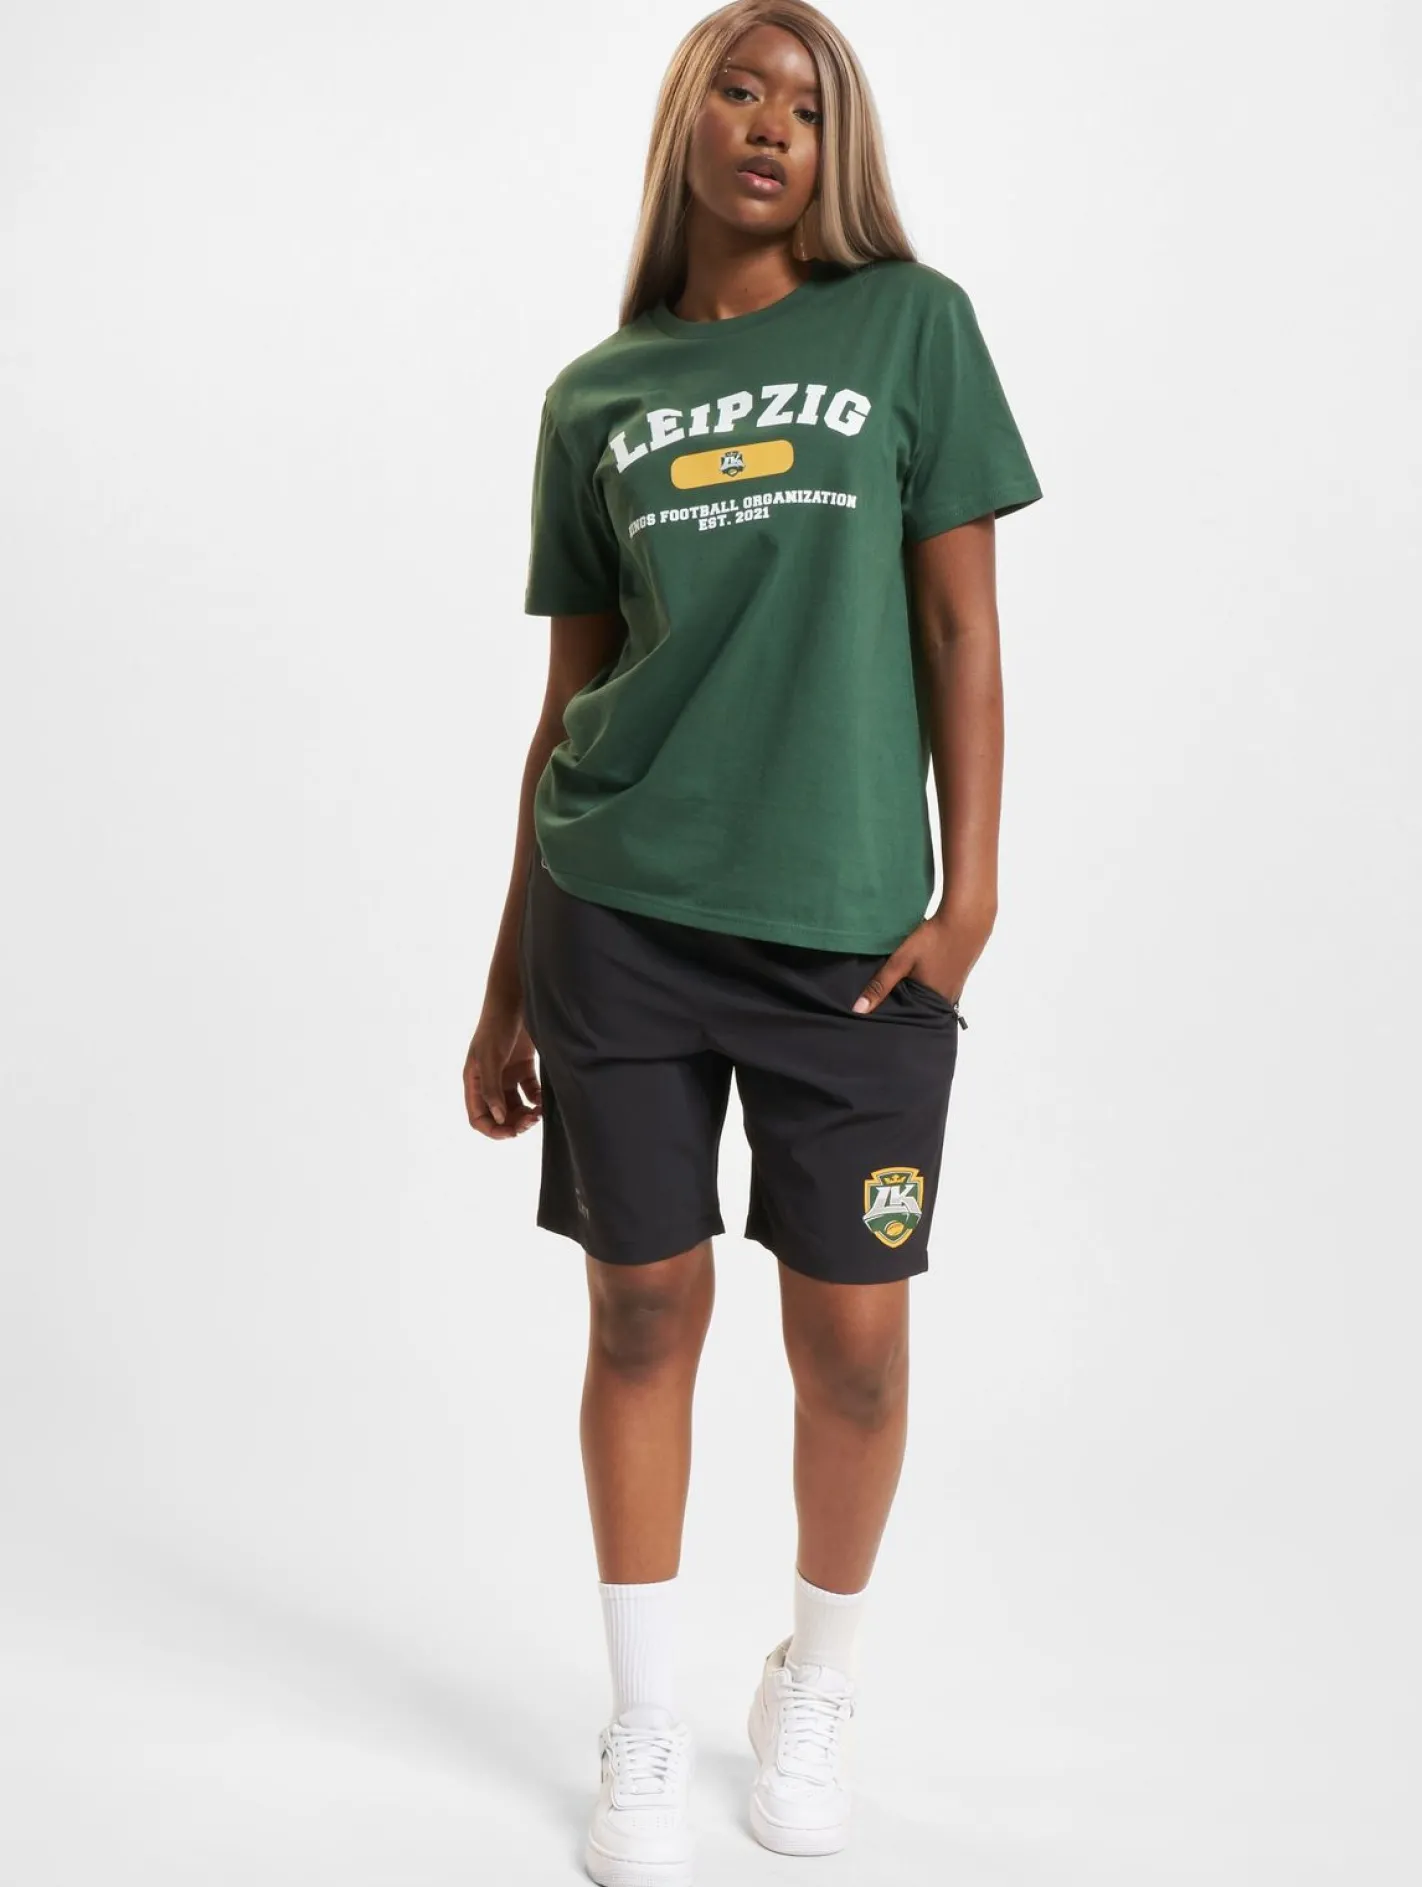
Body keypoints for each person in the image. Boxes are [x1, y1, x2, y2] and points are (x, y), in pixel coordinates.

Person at [462, 1, 1042, 1878]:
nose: (773, 121)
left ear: (835, 144)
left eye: (807, 100)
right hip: (618, 915)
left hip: (847, 939)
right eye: (740, 86)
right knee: (641, 1311)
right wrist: (503, 980)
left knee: (852, 1343)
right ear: (687, 124)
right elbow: (569, 702)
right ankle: (641, 1719)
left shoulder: (909, 327)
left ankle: (816, 1681)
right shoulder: (595, 395)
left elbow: (958, 625)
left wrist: (967, 896)